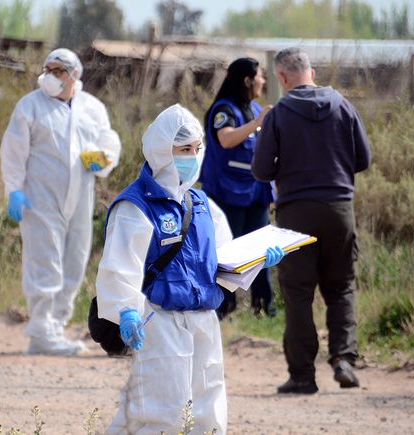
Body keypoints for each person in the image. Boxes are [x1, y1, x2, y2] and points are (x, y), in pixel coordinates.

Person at [95, 104, 284, 434]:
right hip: (159, 321)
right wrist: (127, 311)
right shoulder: (135, 206)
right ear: (161, 151)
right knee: (159, 412)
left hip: (204, 320)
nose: (193, 157)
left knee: (208, 410)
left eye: (197, 148)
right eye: (184, 150)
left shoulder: (202, 204)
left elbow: (223, 264)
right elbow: (119, 265)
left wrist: (254, 262)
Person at [252, 47, 371, 394]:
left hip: (295, 212)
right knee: (341, 287)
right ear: (312, 72)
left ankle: (303, 376)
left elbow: (261, 170)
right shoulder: (343, 106)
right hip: (339, 208)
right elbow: (363, 159)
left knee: (298, 293)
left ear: (282, 77)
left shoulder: (279, 114)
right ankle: (344, 358)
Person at [0, 48, 121, 356]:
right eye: (47, 70)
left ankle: (55, 327)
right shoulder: (30, 106)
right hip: (40, 198)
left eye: (57, 71)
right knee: (45, 262)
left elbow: (108, 142)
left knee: (74, 262)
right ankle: (41, 329)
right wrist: (14, 189)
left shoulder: (92, 108)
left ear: (74, 74)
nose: (49, 76)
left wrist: (103, 160)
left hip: (80, 197)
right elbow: (13, 151)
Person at [200, 57, 276, 319]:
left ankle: (264, 308)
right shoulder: (224, 110)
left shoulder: (254, 108)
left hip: (255, 192)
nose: (263, 81)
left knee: (261, 250)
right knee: (227, 252)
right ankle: (224, 308)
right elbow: (226, 139)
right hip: (227, 193)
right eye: (260, 76)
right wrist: (257, 123)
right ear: (247, 80)